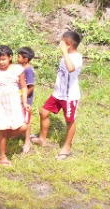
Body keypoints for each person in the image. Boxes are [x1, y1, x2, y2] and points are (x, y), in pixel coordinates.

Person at [36, 30, 84, 159]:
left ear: (68, 44)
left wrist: (64, 52)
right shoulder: (65, 56)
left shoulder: (77, 57)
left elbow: (71, 69)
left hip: (69, 97)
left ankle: (67, 147)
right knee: (43, 113)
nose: (60, 43)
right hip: (57, 94)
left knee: (70, 120)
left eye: (62, 41)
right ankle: (42, 139)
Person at [17, 46, 37, 154]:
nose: (17, 58)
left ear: (25, 59)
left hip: (26, 100)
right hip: (19, 98)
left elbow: (31, 87)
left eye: (19, 56)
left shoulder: (28, 70)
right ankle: (19, 133)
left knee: (27, 120)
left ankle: (27, 141)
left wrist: (23, 98)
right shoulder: (20, 69)